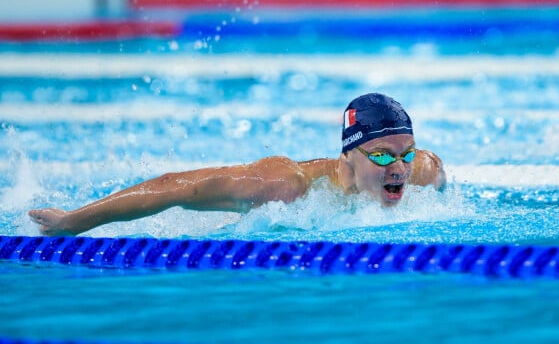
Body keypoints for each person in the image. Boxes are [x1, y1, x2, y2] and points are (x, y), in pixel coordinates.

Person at [29, 93, 446, 236]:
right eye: (382, 155)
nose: (399, 168)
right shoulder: (287, 186)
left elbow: (441, 180)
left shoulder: (423, 171)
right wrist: (73, 222)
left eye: (406, 152)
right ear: (348, 156)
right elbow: (175, 187)